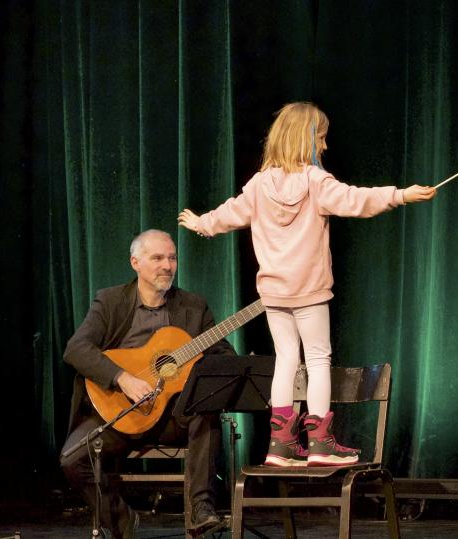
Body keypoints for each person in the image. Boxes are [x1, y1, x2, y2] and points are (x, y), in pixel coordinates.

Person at [178, 101, 437, 468]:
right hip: (308, 290)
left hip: (274, 292)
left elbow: (230, 212)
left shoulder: (259, 184)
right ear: (305, 139)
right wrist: (399, 195)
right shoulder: (316, 181)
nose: (325, 146)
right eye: (321, 138)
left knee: (286, 359)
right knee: (317, 359)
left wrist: (202, 222)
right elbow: (355, 199)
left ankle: (281, 446)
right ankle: (319, 444)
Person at [60, 229, 234, 538]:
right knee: (73, 460)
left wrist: (195, 366)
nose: (167, 265)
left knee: (205, 408)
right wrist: (122, 378)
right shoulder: (110, 301)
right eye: (157, 258)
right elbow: (77, 349)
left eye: (172, 258)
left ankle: (200, 511)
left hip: (172, 416)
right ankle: (121, 520)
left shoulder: (194, 307)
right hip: (119, 411)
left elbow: (223, 356)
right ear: (135, 262)